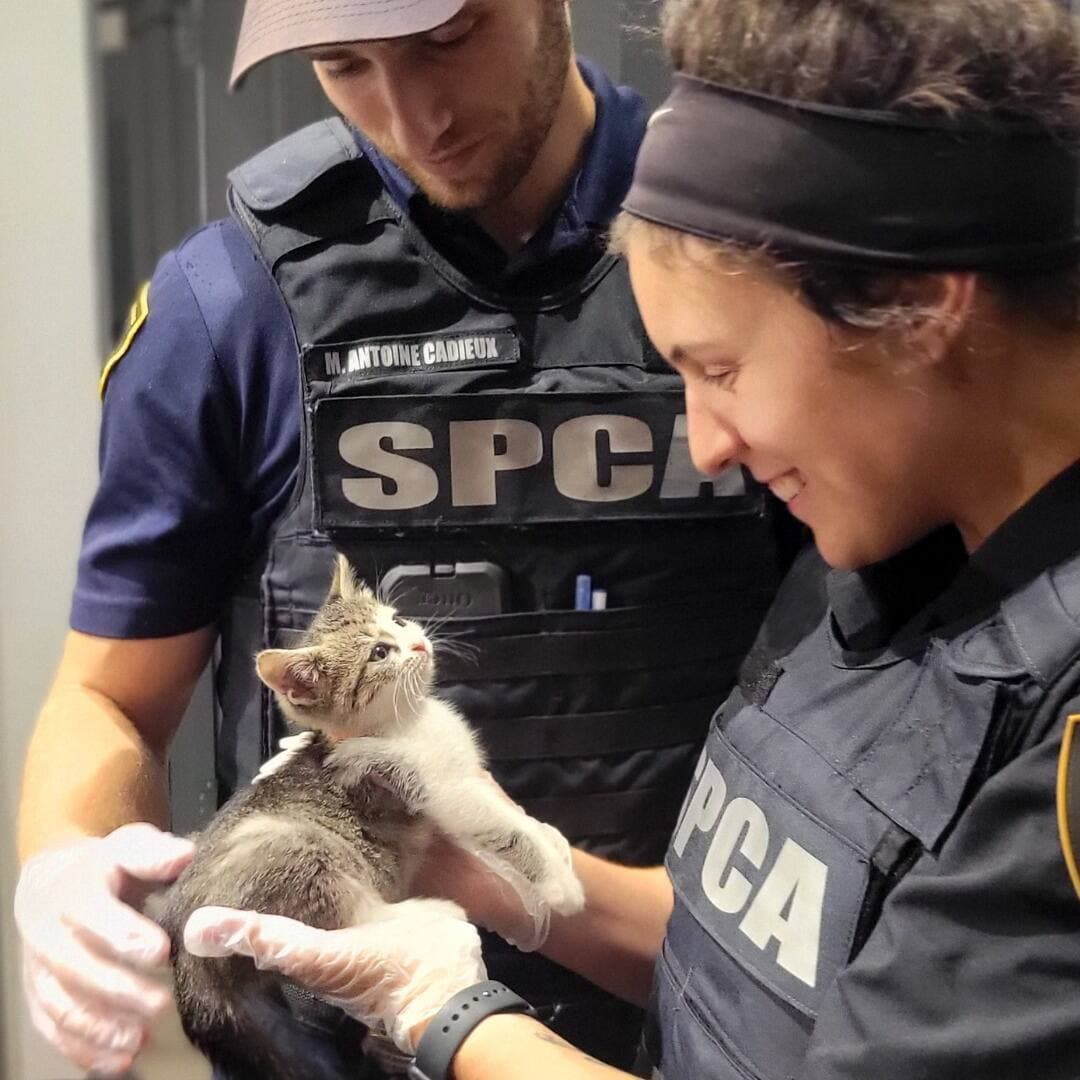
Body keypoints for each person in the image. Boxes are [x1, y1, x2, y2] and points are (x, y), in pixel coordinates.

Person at [177, 0, 1080, 1077]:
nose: (704, 447)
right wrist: (499, 875)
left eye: (722, 369)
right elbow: (751, 964)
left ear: (919, 307)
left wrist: (445, 1013)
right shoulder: (865, 584)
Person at [13, 1, 791, 1076]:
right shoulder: (226, 304)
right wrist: (65, 867)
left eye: (447, 41)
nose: (413, 115)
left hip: (692, 1016)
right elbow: (107, 696)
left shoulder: (749, 246)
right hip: (335, 1036)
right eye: (345, 64)